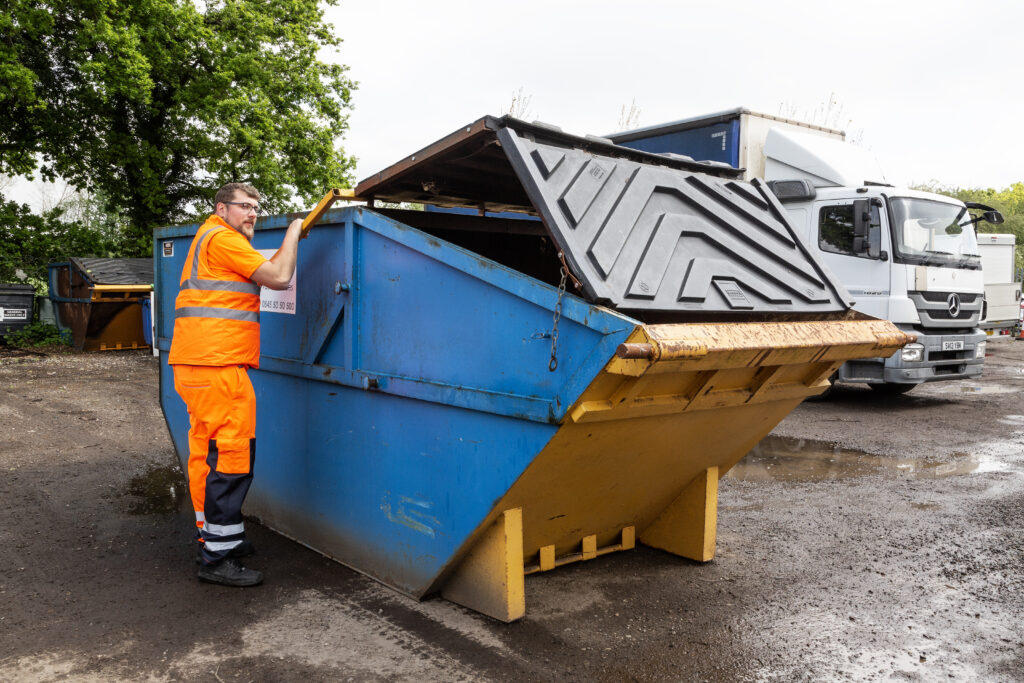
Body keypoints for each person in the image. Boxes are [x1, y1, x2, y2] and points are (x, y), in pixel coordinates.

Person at [168, 182, 304, 587]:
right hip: (216, 367)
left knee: (206, 456)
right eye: (244, 206)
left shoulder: (209, 236)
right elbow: (279, 277)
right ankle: (215, 558)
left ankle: (217, 537)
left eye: (256, 207)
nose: (252, 214)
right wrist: (295, 229)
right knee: (229, 459)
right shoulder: (224, 239)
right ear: (221, 208)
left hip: (203, 364)